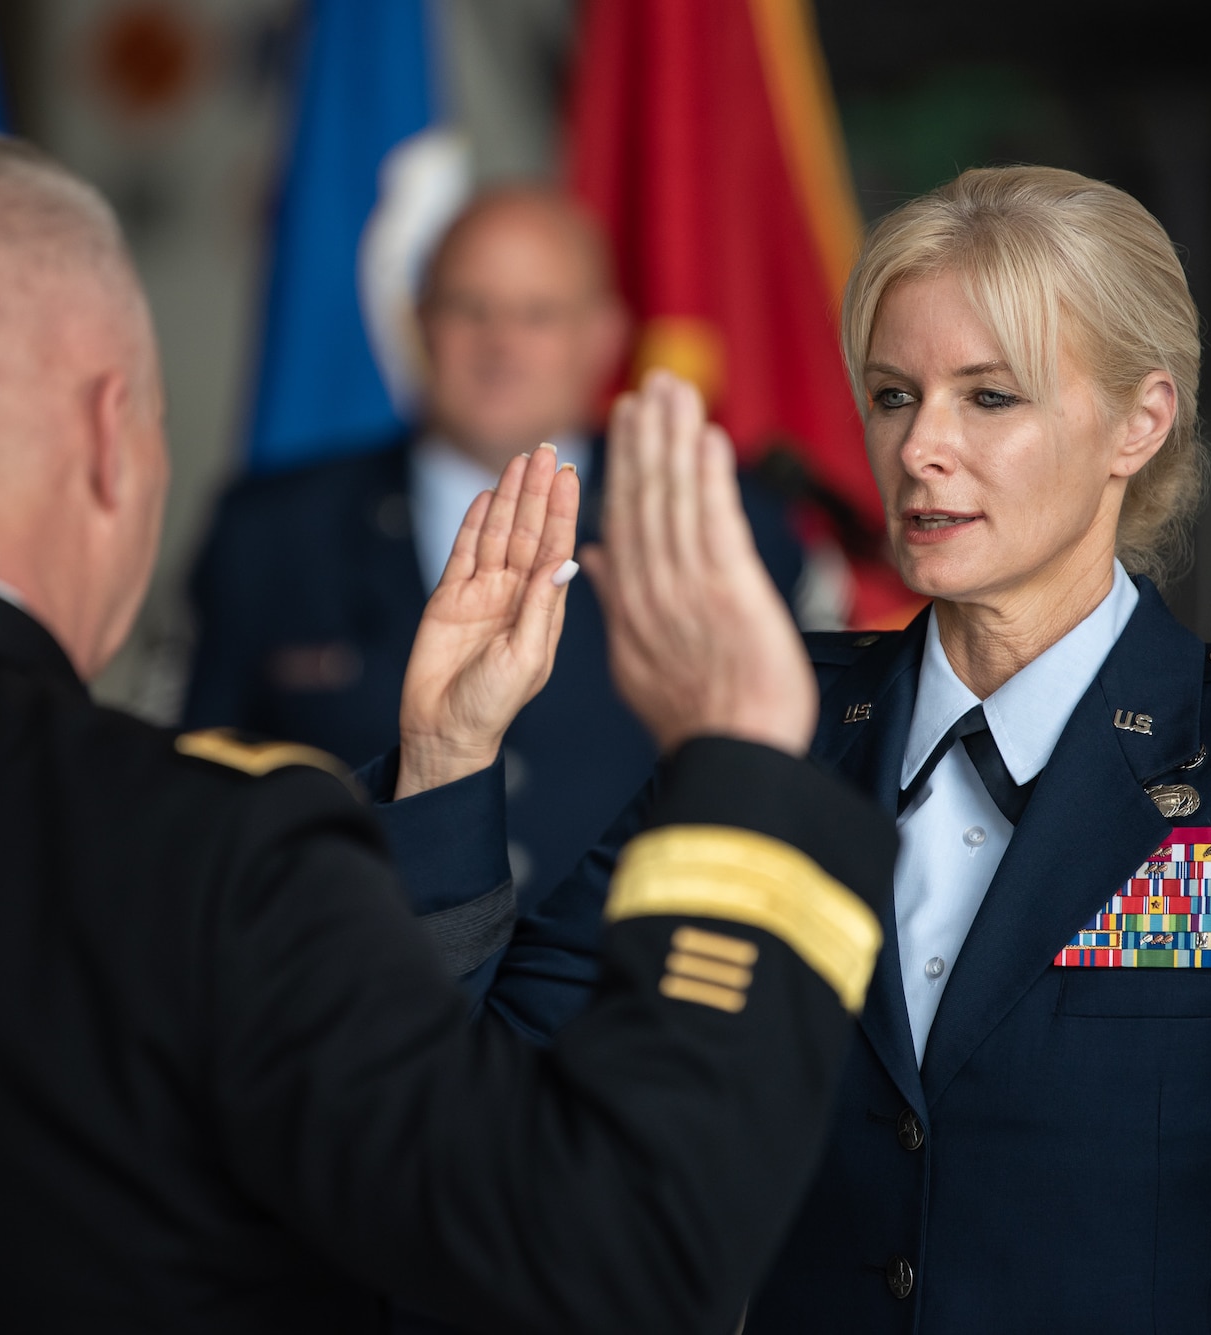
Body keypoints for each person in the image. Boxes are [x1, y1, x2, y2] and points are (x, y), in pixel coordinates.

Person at [0, 134, 900, 1333]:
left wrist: (439, 771)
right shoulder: (215, 855)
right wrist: (742, 778)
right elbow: (613, 1245)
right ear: (110, 436)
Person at [414, 168, 1211, 1330]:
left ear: (1136, 423)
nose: (920, 447)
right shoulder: (765, 729)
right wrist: (448, 751)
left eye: (988, 399)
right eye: (894, 395)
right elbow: (468, 1098)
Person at [184, 187, 805, 904]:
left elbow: (775, 789)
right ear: (418, 323)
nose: (501, 343)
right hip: (353, 985)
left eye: (538, 313)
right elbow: (205, 799)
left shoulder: (721, 519)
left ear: (604, 335)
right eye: (469, 308)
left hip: (624, 992)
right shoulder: (270, 528)